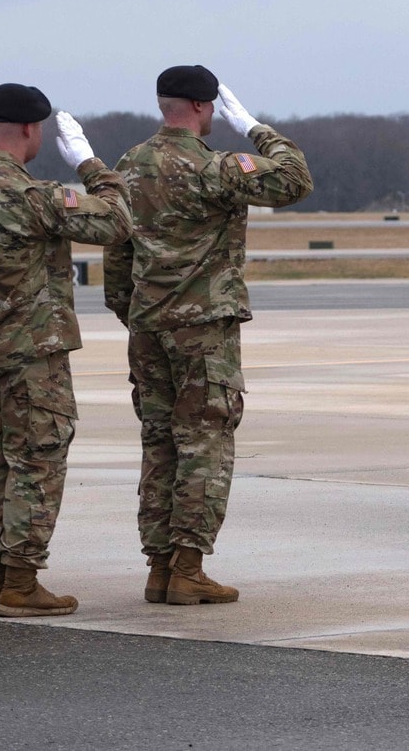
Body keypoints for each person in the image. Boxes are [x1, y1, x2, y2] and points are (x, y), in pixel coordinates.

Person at [103, 66, 312, 605]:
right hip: (202, 330)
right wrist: (258, 130)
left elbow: (117, 250)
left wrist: (133, 310)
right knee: (204, 442)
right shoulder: (214, 167)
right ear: (202, 106)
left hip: (148, 326)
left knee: (159, 443)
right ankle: (188, 568)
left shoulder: (129, 164)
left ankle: (159, 567)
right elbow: (295, 179)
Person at [0, 83, 131, 618]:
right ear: (29, 129)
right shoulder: (32, 196)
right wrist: (92, 166)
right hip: (31, 353)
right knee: (37, 458)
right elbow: (116, 221)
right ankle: (20, 581)